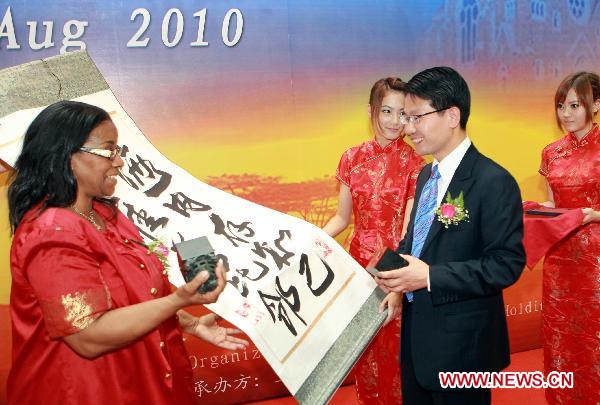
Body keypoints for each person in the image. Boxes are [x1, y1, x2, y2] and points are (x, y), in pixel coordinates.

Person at [7, 100, 249, 404]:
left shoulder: (107, 216)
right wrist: (178, 299)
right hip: (87, 392)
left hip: (142, 384)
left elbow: (135, 297)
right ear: (69, 157)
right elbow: (88, 336)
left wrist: (190, 321)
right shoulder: (51, 233)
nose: (120, 162)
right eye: (110, 150)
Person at [376, 67, 525, 405]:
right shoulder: (426, 175)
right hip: (417, 340)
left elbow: (506, 265)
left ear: (452, 115)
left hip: (463, 347)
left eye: (416, 117)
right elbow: (417, 242)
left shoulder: (493, 181)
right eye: (405, 117)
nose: (407, 128)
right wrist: (394, 277)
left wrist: (429, 276)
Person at [323, 77, 425, 404]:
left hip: (397, 267)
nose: (395, 121)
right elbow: (341, 219)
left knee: (395, 356)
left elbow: (411, 232)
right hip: (358, 270)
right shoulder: (351, 158)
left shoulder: (415, 163)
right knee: (363, 356)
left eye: (402, 113)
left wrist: (397, 284)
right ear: (371, 111)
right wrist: (309, 242)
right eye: (387, 111)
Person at [538, 72, 600, 404]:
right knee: (562, 335)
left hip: (596, 261)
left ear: (597, 105)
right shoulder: (551, 153)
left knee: (594, 336)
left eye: (575, 105)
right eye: (562, 105)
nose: (567, 113)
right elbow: (555, 203)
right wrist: (534, 209)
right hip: (560, 258)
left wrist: (592, 215)